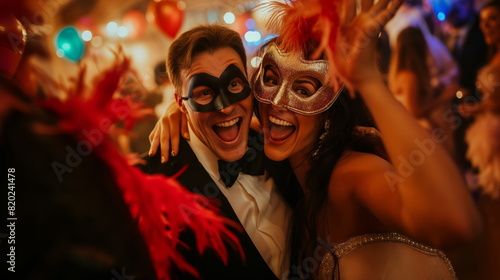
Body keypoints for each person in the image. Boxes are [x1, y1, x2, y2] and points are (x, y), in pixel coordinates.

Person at [150, 1, 482, 279]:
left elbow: (455, 224)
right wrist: (186, 110)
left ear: (330, 108)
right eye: (270, 79)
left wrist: (368, 81)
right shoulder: (282, 163)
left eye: (304, 90)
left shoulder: (351, 175)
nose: (278, 102)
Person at [138, 24, 293, 280]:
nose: (225, 108)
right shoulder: (154, 186)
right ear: (180, 102)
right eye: (205, 92)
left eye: (233, 84)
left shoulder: (276, 144)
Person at [388, 26, 458, 161]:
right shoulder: (409, 76)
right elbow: (413, 111)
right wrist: (443, 98)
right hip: (417, 132)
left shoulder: (402, 74)